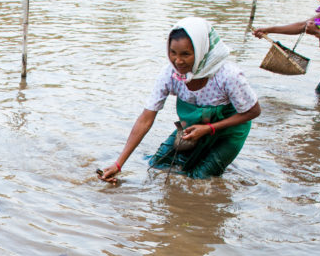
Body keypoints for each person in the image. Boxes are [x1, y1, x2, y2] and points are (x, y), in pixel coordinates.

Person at [100, 18, 261, 182]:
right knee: (159, 164)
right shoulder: (170, 74)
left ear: (200, 52)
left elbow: (254, 111)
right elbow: (145, 119)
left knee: (200, 179)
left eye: (186, 54)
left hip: (229, 132)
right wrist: (118, 164)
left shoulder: (228, 75)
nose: (178, 61)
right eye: (173, 53)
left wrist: (209, 128)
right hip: (193, 126)